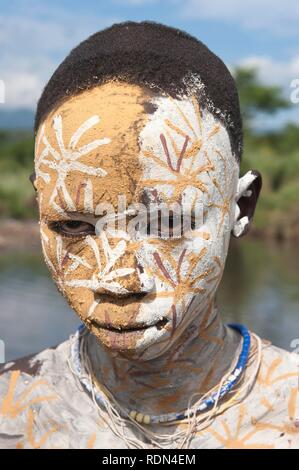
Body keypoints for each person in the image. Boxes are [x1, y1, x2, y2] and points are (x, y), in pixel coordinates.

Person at [0, 21, 298, 449]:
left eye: (167, 226)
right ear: (40, 206)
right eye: (73, 226)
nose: (119, 282)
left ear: (241, 208)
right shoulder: (12, 410)